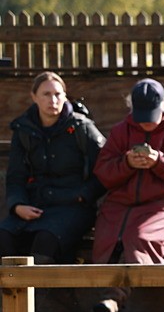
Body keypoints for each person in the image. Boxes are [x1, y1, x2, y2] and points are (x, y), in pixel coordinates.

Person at [91, 78, 164, 312]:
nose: (145, 122)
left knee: (138, 236)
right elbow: (103, 172)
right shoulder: (121, 131)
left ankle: (115, 300)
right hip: (122, 204)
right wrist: (127, 163)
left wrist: (160, 162)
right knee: (106, 236)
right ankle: (112, 300)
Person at [2, 71, 106, 267]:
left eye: (58, 94)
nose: (53, 100)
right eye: (46, 94)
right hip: (35, 205)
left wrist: (83, 195)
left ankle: (41, 297)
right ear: (34, 97)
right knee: (4, 237)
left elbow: (105, 168)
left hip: (72, 206)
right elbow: (15, 177)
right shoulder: (23, 130)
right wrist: (17, 205)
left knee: (45, 240)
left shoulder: (81, 127)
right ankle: (9, 297)